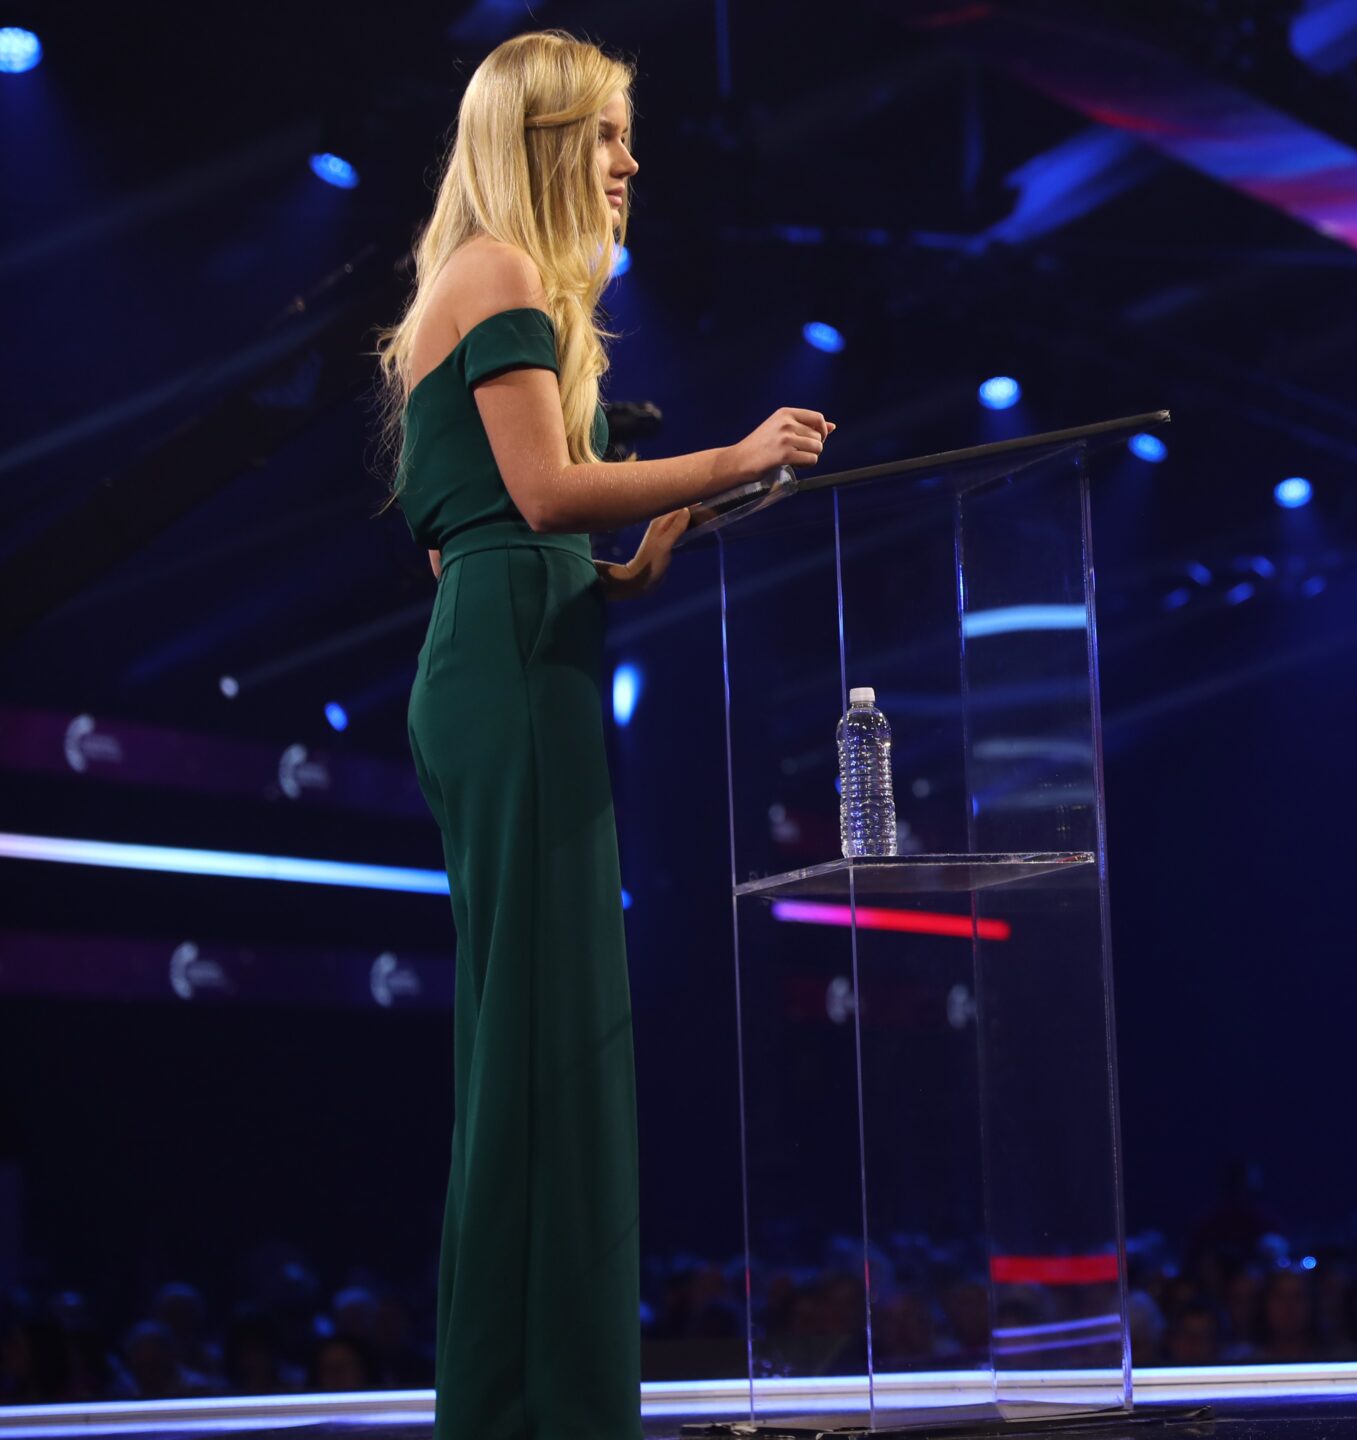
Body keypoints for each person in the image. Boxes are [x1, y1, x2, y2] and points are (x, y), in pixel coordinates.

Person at [375, 29, 830, 1439]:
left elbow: (484, 536)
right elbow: (540, 495)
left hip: (516, 650)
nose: (631, 161)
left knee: (546, 1033)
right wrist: (731, 457)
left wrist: (634, 565)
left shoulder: (488, 286)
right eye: (609, 134)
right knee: (541, 1042)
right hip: (513, 670)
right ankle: (531, 1403)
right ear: (543, 140)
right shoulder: (499, 273)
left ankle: (536, 1392)